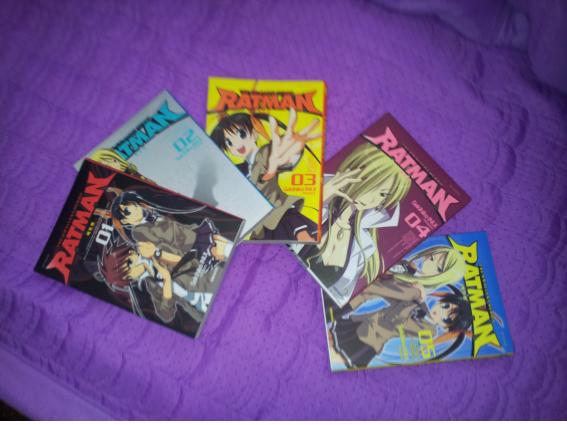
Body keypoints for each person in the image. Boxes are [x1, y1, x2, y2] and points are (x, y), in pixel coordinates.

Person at [298, 143, 411, 306]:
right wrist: (317, 202)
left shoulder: (365, 245)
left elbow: (341, 296)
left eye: (382, 194)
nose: (371, 198)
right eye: (369, 182)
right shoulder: (312, 200)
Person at [210, 108, 320, 241]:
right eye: (229, 142)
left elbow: (280, 157)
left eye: (242, 134)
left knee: (299, 233)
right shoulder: (239, 171)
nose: (237, 145)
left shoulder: (266, 154)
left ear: (254, 133)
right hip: (261, 226)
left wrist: (293, 150)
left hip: (281, 212)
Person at [329, 280, 473, 369]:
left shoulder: (430, 330)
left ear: (445, 327)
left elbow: (396, 320)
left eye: (446, 319)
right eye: (446, 306)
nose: (441, 312)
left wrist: (415, 297)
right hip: (361, 324)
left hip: (368, 340)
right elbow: (386, 300)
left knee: (331, 356)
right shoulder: (420, 304)